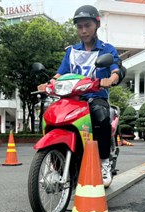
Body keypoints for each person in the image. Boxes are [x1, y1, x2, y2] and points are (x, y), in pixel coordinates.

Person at [38, 5, 123, 187]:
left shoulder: (107, 50)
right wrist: (48, 84)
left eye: (87, 25)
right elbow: (60, 73)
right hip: (72, 98)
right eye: (79, 27)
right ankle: (57, 162)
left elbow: (116, 70)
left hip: (95, 96)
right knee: (52, 114)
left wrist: (111, 79)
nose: (83, 30)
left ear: (96, 25)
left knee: (100, 114)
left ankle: (104, 163)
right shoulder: (72, 51)